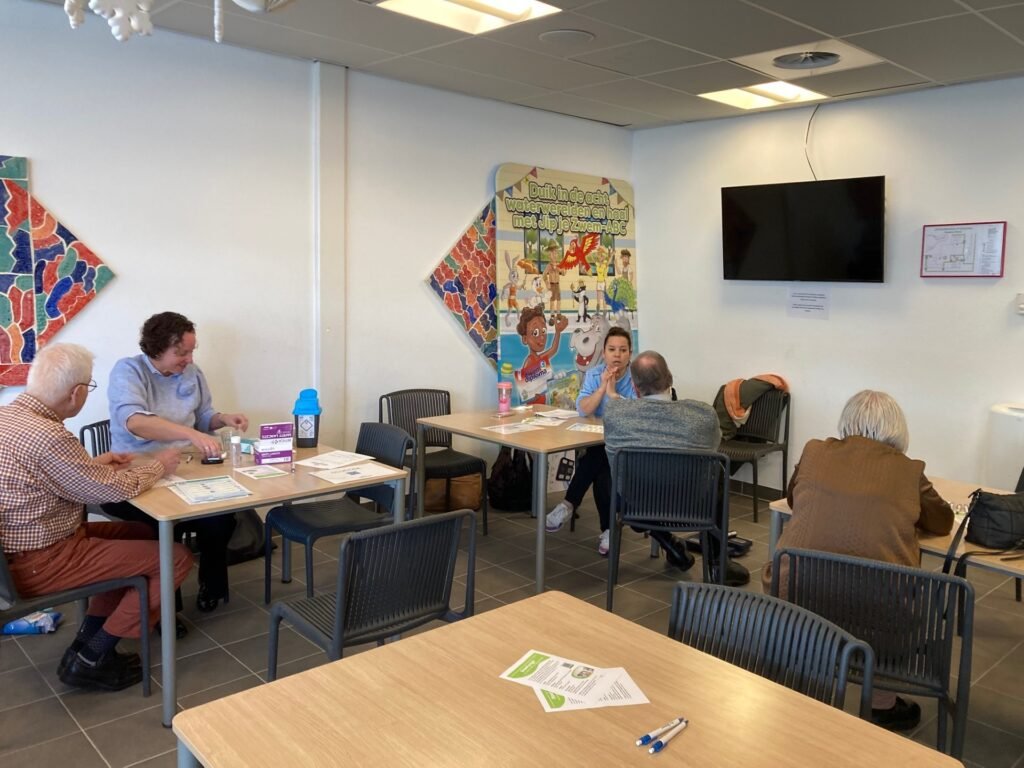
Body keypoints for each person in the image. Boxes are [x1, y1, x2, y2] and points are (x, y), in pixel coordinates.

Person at [0, 343, 192, 691]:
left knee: (141, 533)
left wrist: (94, 464)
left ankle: (86, 641)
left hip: (18, 555)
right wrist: (158, 466)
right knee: (175, 557)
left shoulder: (9, 417)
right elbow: (107, 491)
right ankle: (92, 656)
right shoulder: (49, 435)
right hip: (40, 561)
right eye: (89, 386)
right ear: (75, 393)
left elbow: (45, 476)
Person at [764, 390, 954, 732]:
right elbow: (942, 522)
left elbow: (793, 499)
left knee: (834, 585)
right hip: (880, 618)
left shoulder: (814, 451)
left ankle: (807, 681)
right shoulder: (909, 470)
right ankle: (882, 703)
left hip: (794, 601)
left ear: (847, 421)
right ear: (898, 428)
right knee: (892, 594)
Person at [105, 311, 247, 613]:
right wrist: (189, 434)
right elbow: (135, 422)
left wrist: (223, 418)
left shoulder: (192, 372)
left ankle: (212, 586)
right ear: (157, 348)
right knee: (157, 526)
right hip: (139, 471)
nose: (189, 359)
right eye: (181, 352)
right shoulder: (128, 371)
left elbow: (204, 416)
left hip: (186, 467)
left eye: (192, 351)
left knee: (220, 518)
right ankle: (166, 610)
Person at [602, 351, 750, 586]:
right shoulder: (703, 415)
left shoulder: (615, 414)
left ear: (635, 387)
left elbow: (620, 407)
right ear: (670, 378)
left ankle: (669, 543)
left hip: (635, 508)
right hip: (693, 507)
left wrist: (613, 395)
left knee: (621, 476)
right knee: (717, 469)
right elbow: (714, 445)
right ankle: (718, 564)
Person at [545, 326, 634, 555]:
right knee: (601, 469)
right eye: (612, 349)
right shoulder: (595, 374)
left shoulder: (636, 378)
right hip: (600, 442)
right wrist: (602, 387)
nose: (617, 355)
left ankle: (568, 504)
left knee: (597, 459)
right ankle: (608, 531)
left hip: (628, 444)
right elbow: (583, 409)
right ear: (603, 353)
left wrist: (613, 393)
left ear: (630, 354)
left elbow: (635, 415)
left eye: (622, 350)